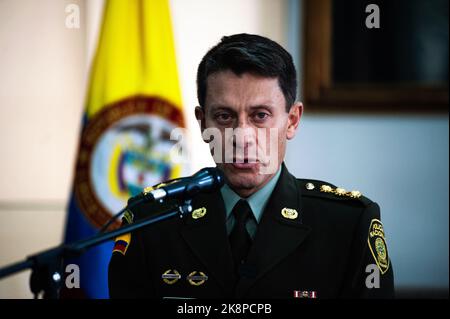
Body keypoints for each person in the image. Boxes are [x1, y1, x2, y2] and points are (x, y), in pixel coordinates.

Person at [108, 33, 394, 298]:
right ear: (202, 122)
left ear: (292, 120)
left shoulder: (348, 224)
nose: (241, 137)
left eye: (260, 115)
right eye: (223, 116)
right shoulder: (152, 219)